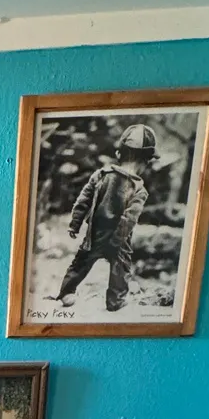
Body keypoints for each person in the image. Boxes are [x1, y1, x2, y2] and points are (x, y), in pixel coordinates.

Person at [58, 123, 157, 312]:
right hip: (118, 239)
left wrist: (75, 224)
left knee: (80, 263)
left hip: (95, 234)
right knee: (121, 269)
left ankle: (66, 293)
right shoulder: (139, 190)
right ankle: (115, 301)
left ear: (119, 154)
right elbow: (129, 219)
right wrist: (117, 240)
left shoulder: (101, 175)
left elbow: (83, 201)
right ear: (146, 161)